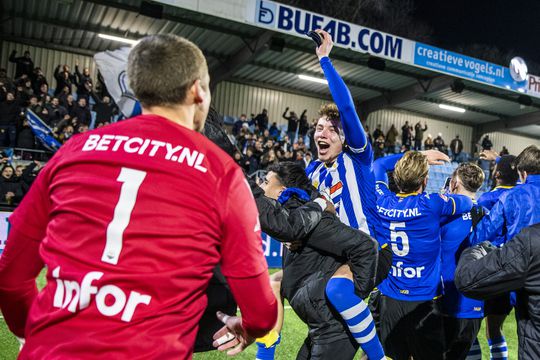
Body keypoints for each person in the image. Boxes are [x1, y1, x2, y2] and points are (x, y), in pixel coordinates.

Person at [0, 34, 277, 359]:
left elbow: (11, 279)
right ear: (198, 91)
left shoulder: (74, 149)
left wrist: (29, 332)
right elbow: (260, 311)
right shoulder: (221, 171)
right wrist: (250, 328)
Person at [257, 162, 386, 360]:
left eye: (266, 182)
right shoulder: (292, 222)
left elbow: (367, 247)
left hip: (333, 330)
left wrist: (349, 294)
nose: (261, 187)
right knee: (274, 282)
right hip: (321, 328)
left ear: (281, 190)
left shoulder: (313, 221)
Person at [371, 150, 473, 360]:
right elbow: (466, 202)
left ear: (396, 177)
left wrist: (419, 154)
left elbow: (379, 164)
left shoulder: (381, 201)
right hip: (424, 301)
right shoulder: (432, 204)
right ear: (425, 180)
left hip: (389, 299)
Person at [469, 145, 540, 360]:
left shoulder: (512, 196)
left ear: (524, 173)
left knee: (525, 336)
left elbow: (480, 235)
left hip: (520, 275)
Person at [455, 224, 540, 360]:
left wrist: (474, 251)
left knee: (476, 330)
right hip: (512, 272)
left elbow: (467, 279)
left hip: (505, 272)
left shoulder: (532, 238)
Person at [440, 163, 486, 360]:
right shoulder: (486, 214)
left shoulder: (445, 213)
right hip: (475, 303)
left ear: (454, 183)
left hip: (445, 301)